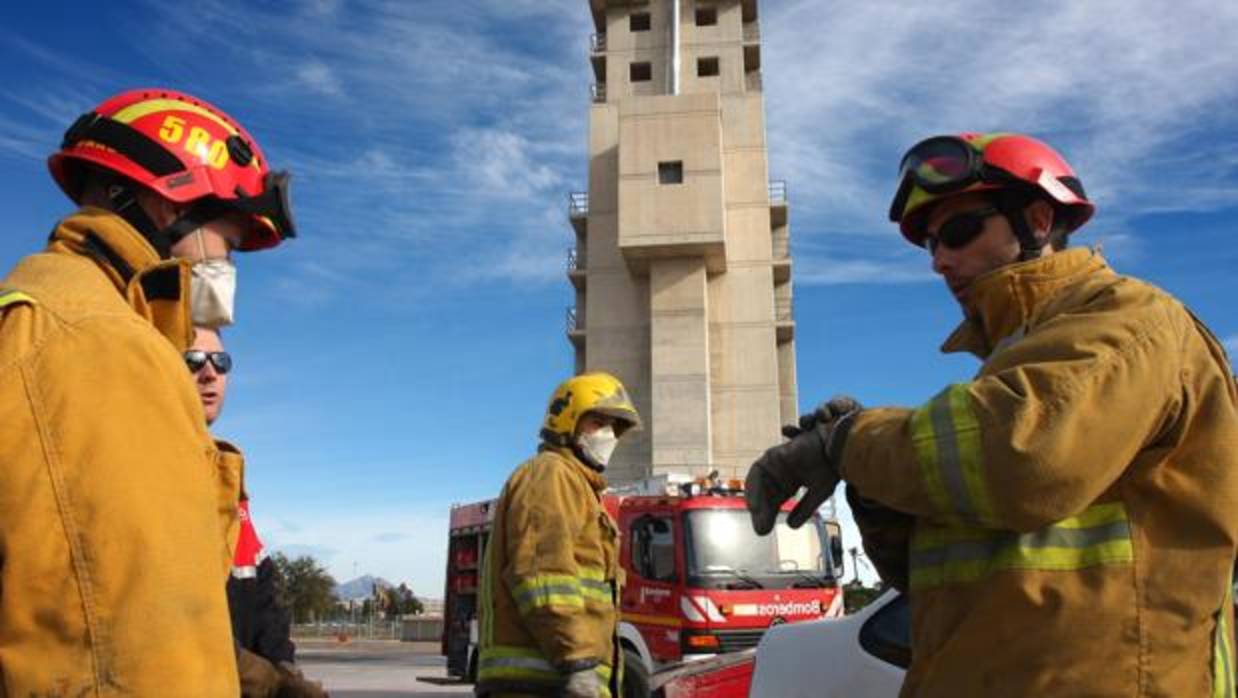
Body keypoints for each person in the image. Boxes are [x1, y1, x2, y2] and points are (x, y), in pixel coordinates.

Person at [745, 132, 1238, 696]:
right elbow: (936, 579)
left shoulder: (1132, 321)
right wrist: (875, 485)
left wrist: (850, 440)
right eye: (930, 244)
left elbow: (1023, 457)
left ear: (1037, 218)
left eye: (958, 232)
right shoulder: (1011, 368)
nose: (939, 261)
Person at [0, 88, 295, 694]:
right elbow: (130, 653)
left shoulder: (40, 307)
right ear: (166, 202)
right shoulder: (103, 342)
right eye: (228, 245)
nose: (227, 270)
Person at [476, 372, 641, 698]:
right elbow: (543, 576)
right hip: (541, 683)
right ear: (568, 421)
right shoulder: (552, 474)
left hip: (557, 680)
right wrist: (577, 664)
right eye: (598, 421)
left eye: (614, 427)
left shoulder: (581, 486)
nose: (608, 435)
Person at [186, 327, 325, 697]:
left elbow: (266, 604)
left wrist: (287, 673)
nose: (209, 373)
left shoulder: (229, 485)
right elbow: (174, 619)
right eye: (193, 360)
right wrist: (264, 680)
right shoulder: (150, 468)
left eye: (221, 361)